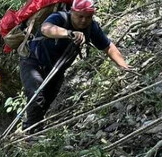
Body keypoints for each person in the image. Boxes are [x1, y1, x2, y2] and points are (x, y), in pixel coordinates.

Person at [20, 0, 130, 133]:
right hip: (33, 62)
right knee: (36, 95)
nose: (84, 20)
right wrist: (69, 33)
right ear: (72, 12)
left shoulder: (91, 28)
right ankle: (31, 133)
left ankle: (34, 131)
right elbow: (46, 28)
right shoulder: (60, 17)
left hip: (56, 71)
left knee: (45, 102)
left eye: (88, 17)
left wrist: (124, 66)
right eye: (80, 16)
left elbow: (108, 47)